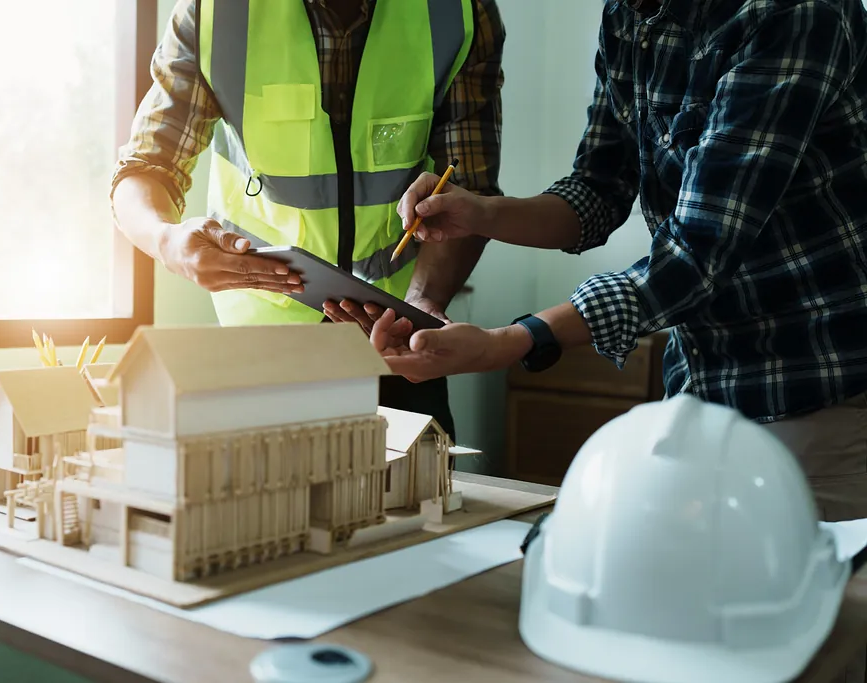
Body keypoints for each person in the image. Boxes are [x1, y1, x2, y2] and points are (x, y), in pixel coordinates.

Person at [373, 0, 867, 624]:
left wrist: (511, 341)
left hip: (820, 391)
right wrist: (483, 214)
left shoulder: (795, 14)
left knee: (807, 632)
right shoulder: (631, 14)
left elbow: (697, 254)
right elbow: (597, 192)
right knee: (686, 623)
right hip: (702, 389)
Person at [109, 0, 506, 441]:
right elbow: (145, 168)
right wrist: (168, 243)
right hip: (261, 351)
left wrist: (422, 304)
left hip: (399, 348)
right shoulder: (213, 13)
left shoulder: (457, 12)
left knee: (421, 501)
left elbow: (470, 194)